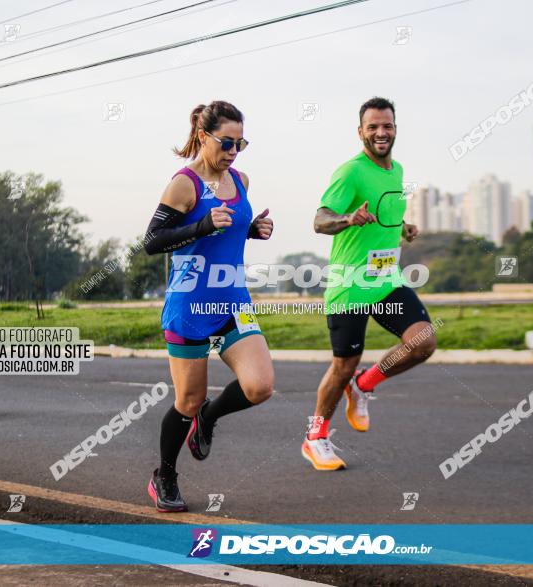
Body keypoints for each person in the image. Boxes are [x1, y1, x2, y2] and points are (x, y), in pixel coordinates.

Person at [143, 101, 274, 510]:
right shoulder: (184, 184)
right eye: (227, 142)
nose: (234, 151)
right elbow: (152, 241)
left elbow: (227, 231)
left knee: (260, 386)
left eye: (241, 143)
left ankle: (210, 418)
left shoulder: (241, 180)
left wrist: (252, 229)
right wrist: (200, 225)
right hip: (190, 303)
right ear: (203, 136)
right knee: (187, 400)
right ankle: (164, 475)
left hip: (233, 298)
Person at [302, 97, 436, 470]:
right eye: (373, 127)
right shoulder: (350, 172)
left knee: (423, 342)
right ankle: (315, 437)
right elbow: (319, 219)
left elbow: (386, 215)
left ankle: (364, 385)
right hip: (350, 284)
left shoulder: (397, 171)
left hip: (387, 280)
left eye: (387, 126)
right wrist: (348, 218)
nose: (381, 132)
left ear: (395, 129)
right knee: (343, 365)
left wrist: (403, 227)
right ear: (360, 131)